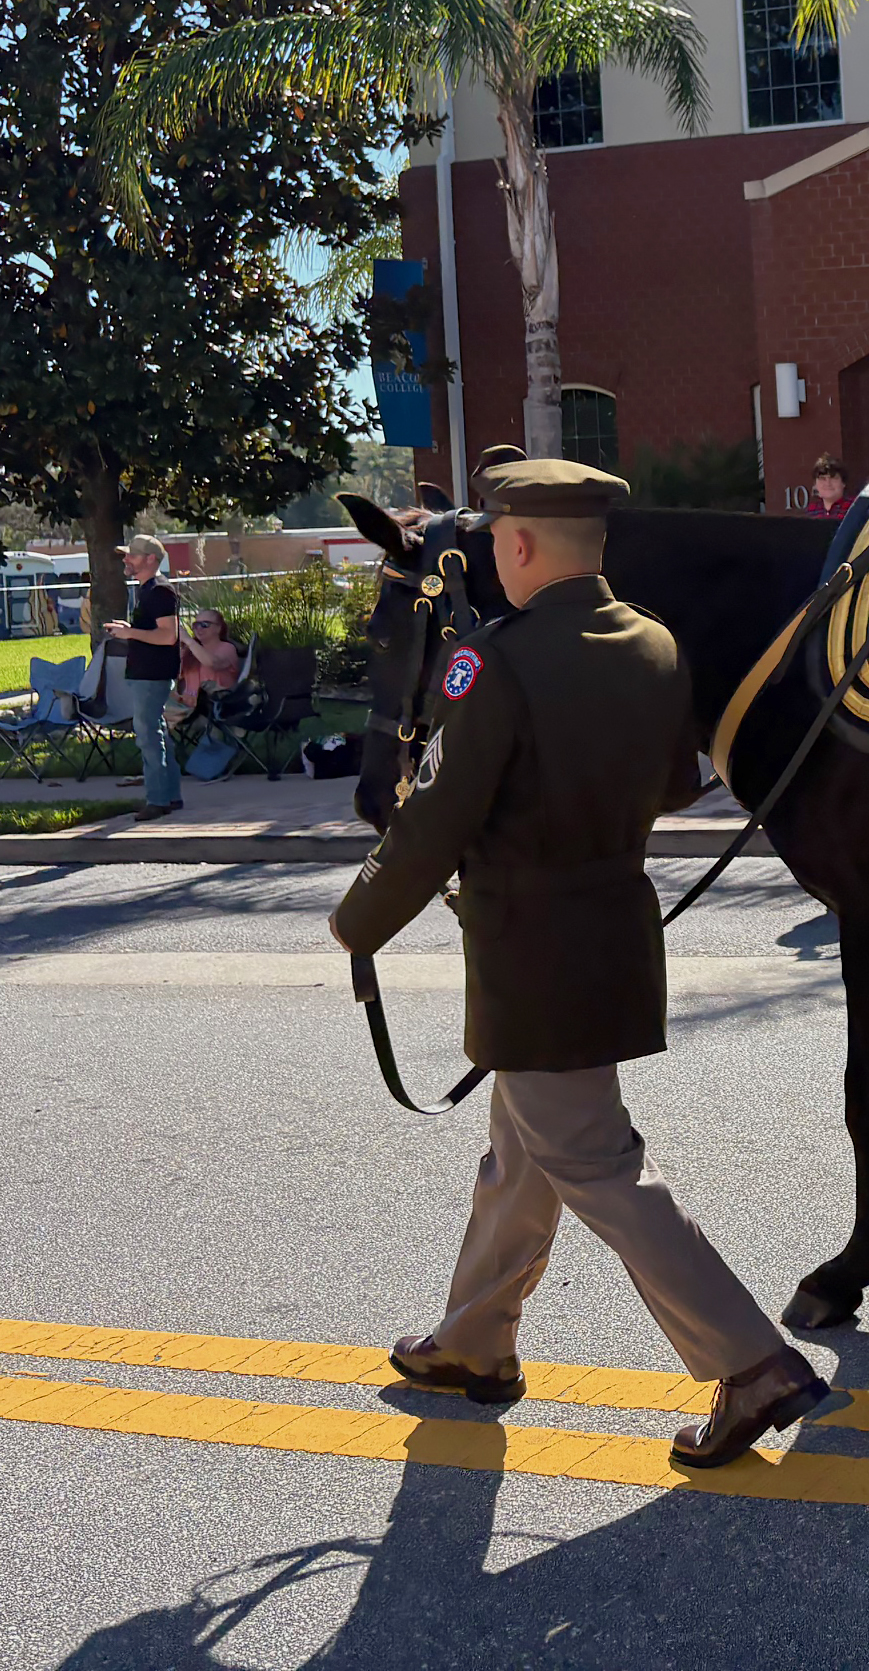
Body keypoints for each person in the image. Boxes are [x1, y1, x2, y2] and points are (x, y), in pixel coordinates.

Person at [329, 456, 828, 1468]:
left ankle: (753, 1362)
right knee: (524, 1152)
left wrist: (359, 919)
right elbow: (678, 786)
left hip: (531, 951)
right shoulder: (653, 643)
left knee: (594, 1161)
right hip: (613, 932)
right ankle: (474, 1338)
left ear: (515, 545)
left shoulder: (490, 661)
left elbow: (433, 820)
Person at [102, 535, 183, 820]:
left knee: (148, 737)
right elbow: (155, 631)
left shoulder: (160, 591)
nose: (126, 559)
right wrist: (130, 629)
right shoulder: (148, 590)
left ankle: (158, 800)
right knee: (156, 734)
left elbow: (168, 635)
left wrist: (130, 633)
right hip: (146, 674)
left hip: (152, 676)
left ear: (151, 559)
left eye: (132, 555)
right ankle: (171, 797)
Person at [170, 607, 242, 728]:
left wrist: (188, 640)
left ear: (218, 628)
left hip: (216, 707)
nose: (198, 628)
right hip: (188, 707)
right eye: (196, 624)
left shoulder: (227, 648)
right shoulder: (189, 651)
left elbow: (212, 663)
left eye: (204, 625)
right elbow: (175, 672)